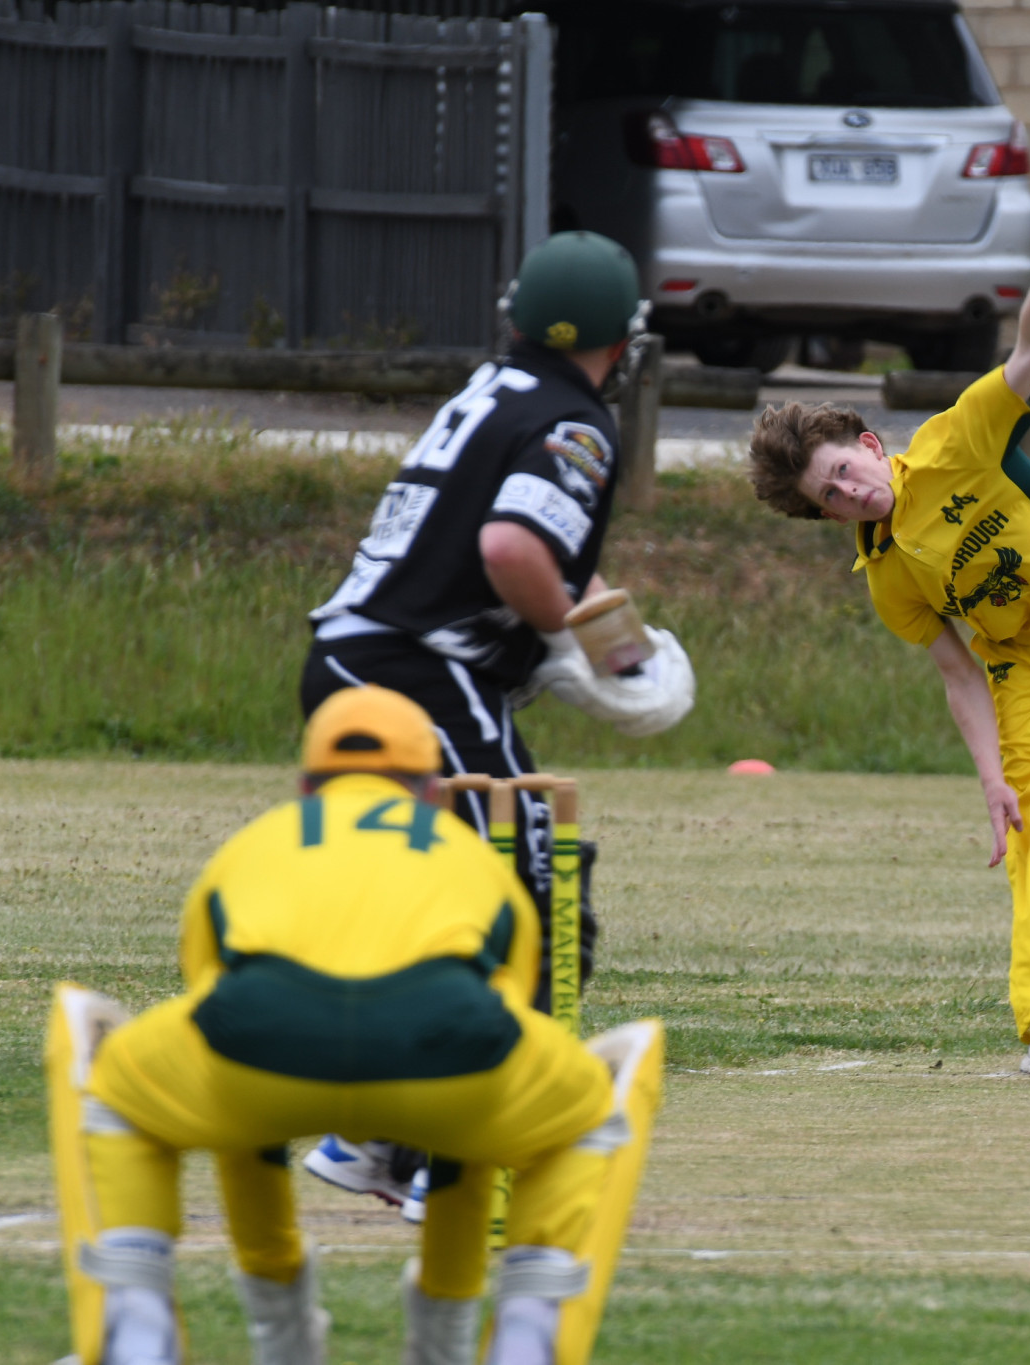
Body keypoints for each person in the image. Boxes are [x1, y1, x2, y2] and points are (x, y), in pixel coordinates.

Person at [45, 685, 663, 1365]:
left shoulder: (252, 845)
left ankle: (134, 1316)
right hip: (451, 1067)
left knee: (99, 1058)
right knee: (606, 1087)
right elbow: (485, 1067)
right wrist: (444, 1341)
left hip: (256, 1064)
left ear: (307, 786)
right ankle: (531, 1329)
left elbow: (230, 1042)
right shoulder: (473, 856)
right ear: (433, 790)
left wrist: (280, 1315)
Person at [743, 156, 1030, 1077]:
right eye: (831, 500)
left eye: (847, 471)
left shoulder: (958, 440)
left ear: (867, 442)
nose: (853, 494)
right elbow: (954, 669)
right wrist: (990, 778)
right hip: (1027, 671)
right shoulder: (886, 574)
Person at [300, 231, 692, 1211]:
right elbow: (516, 546)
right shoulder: (575, 420)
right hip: (417, 674)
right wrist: (566, 637)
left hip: (357, 661)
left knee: (435, 907)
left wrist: (617, 643)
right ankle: (453, 1157)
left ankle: (375, 1137)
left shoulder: (497, 391)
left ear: (517, 315)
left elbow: (539, 549)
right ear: (622, 338)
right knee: (525, 900)